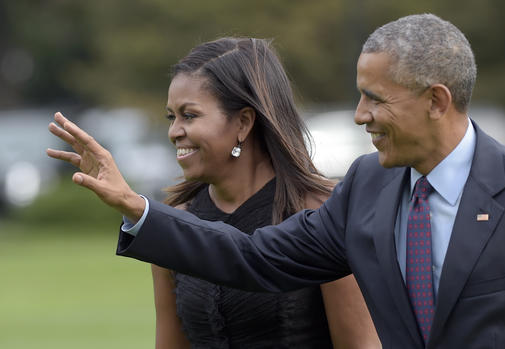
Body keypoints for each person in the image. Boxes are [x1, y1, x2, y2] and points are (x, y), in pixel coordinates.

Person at [46, 13, 505, 348]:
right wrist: (137, 208)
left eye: (375, 99)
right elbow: (255, 257)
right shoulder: (366, 187)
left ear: (436, 101)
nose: (359, 115)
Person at [47, 38, 380, 348]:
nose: (174, 131)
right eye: (171, 117)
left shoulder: (322, 211)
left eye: (189, 115)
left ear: (243, 123)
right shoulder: (175, 216)